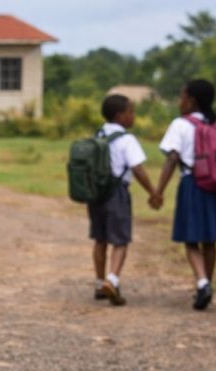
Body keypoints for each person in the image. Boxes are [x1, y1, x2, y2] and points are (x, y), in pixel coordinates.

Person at [154, 79, 216, 310]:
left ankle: (201, 282)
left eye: (182, 97)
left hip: (192, 183)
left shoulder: (180, 125)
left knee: (191, 239)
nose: (179, 102)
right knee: (209, 240)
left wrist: (159, 191)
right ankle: (207, 283)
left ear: (191, 101)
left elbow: (172, 158)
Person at [88, 94, 161, 306]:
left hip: (96, 194)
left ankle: (99, 282)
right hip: (117, 193)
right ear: (120, 116)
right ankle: (112, 279)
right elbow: (137, 168)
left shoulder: (97, 134)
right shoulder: (127, 139)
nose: (133, 116)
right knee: (120, 239)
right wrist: (152, 192)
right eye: (131, 112)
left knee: (100, 239)